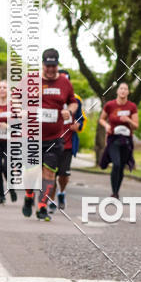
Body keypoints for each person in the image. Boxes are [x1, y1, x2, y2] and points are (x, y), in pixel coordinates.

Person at [22, 48, 78, 222]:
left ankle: (42, 206)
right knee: (31, 173)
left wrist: (69, 110)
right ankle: (29, 195)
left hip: (54, 138)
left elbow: (73, 102)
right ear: (42, 64)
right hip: (32, 136)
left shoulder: (64, 82)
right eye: (48, 66)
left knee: (49, 174)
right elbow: (15, 98)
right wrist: (21, 110)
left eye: (54, 66)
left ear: (57, 64)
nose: (51, 69)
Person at [49, 69, 86, 213]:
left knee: (63, 175)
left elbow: (80, 120)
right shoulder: (49, 98)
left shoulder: (76, 101)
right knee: (51, 174)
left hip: (68, 144)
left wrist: (78, 126)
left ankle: (61, 193)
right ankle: (51, 201)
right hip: (52, 142)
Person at [99, 83, 138, 198]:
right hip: (113, 139)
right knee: (116, 163)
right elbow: (101, 119)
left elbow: (136, 126)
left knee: (121, 166)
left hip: (126, 140)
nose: (123, 91)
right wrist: (106, 126)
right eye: (121, 88)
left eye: (125, 89)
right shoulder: (110, 105)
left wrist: (128, 120)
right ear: (117, 91)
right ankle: (114, 192)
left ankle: (116, 192)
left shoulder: (132, 106)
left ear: (128, 92)